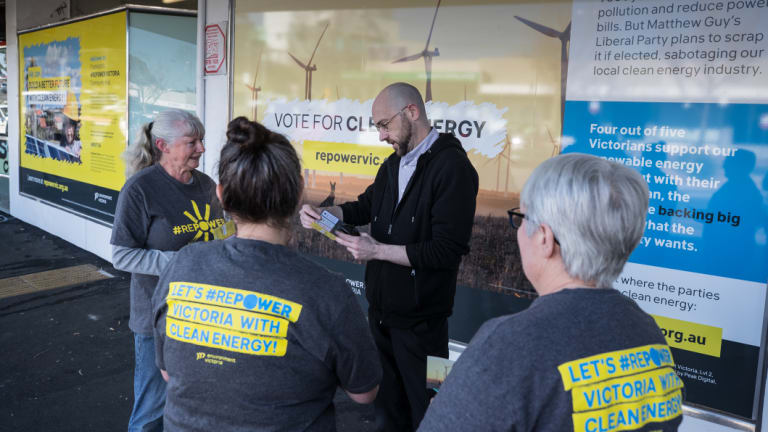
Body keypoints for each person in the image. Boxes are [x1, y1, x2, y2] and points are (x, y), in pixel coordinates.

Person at [418, 154, 683, 431]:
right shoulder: (645, 331)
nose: (519, 231)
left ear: (545, 238)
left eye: (521, 218)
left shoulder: (509, 345)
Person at [151, 117, 382, 431]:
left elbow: (167, 372)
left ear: (220, 194)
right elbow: (364, 393)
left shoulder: (182, 264)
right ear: (297, 191)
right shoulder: (326, 291)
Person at [300, 82, 479, 431]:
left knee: (431, 412)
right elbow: (365, 206)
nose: (381, 136)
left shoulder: (454, 168)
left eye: (384, 125)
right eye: (378, 127)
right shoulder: (393, 164)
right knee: (387, 413)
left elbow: (446, 251)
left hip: (425, 324)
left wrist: (375, 250)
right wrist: (325, 214)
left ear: (411, 112)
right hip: (382, 316)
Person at [111, 109, 225, 432]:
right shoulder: (139, 189)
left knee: (193, 404)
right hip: (156, 316)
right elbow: (121, 254)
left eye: (201, 140)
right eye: (192, 142)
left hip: (203, 314)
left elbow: (219, 233)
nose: (201, 149)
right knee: (151, 411)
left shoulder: (207, 186)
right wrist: (177, 262)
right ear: (163, 145)